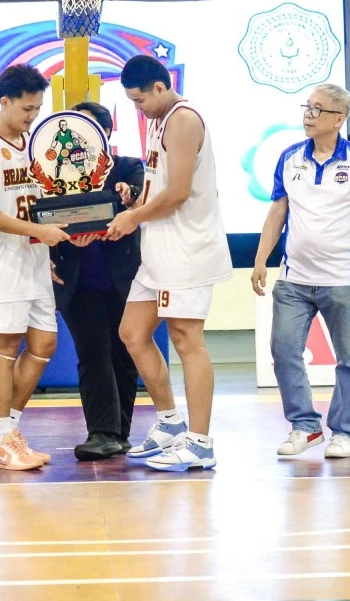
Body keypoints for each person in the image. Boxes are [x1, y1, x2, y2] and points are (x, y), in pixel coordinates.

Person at [106, 55, 232, 472]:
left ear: (160, 88)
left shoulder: (183, 120)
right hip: (159, 250)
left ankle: (200, 443)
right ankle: (170, 422)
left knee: (185, 338)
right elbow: (156, 184)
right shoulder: (157, 120)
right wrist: (133, 205)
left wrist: (133, 218)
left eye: (140, 100)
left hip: (187, 251)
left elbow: (177, 192)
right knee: (132, 332)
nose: (137, 108)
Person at [250, 83, 350, 460]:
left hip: (344, 280)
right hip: (293, 279)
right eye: (307, 107)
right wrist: (260, 259)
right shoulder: (289, 157)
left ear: (339, 119)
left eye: (317, 109)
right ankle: (305, 426)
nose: (308, 115)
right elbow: (277, 212)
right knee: (283, 350)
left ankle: (343, 432)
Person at [0, 63, 71, 471]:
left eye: (37, 109)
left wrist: (48, 242)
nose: (32, 115)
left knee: (44, 345)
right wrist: (36, 232)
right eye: (27, 108)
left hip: (33, 257)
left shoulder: (34, 142)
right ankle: (3, 436)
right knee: (6, 346)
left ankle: (5, 430)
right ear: (4, 101)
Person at [50, 101, 144, 461]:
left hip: (123, 278)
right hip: (76, 281)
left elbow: (137, 195)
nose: (81, 137)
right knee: (92, 352)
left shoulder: (128, 167)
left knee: (123, 353)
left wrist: (128, 193)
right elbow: (42, 218)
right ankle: (101, 432)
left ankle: (120, 432)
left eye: (89, 129)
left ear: (106, 133)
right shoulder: (54, 174)